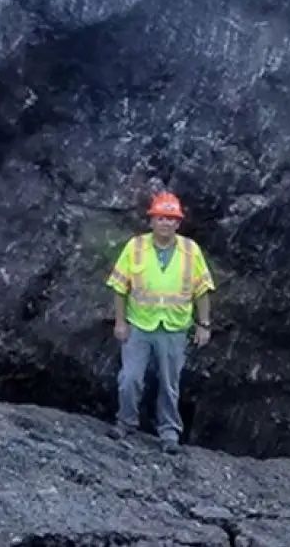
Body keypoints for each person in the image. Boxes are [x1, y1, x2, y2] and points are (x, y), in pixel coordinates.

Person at [105, 190, 214, 453]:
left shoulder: (191, 251)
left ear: (178, 223)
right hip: (140, 324)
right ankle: (126, 422)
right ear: (151, 220)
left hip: (174, 328)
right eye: (161, 218)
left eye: (171, 218)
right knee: (130, 378)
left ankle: (169, 433)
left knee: (169, 383)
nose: (166, 223)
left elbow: (202, 290)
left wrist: (204, 324)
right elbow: (120, 287)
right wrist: (120, 322)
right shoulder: (136, 247)